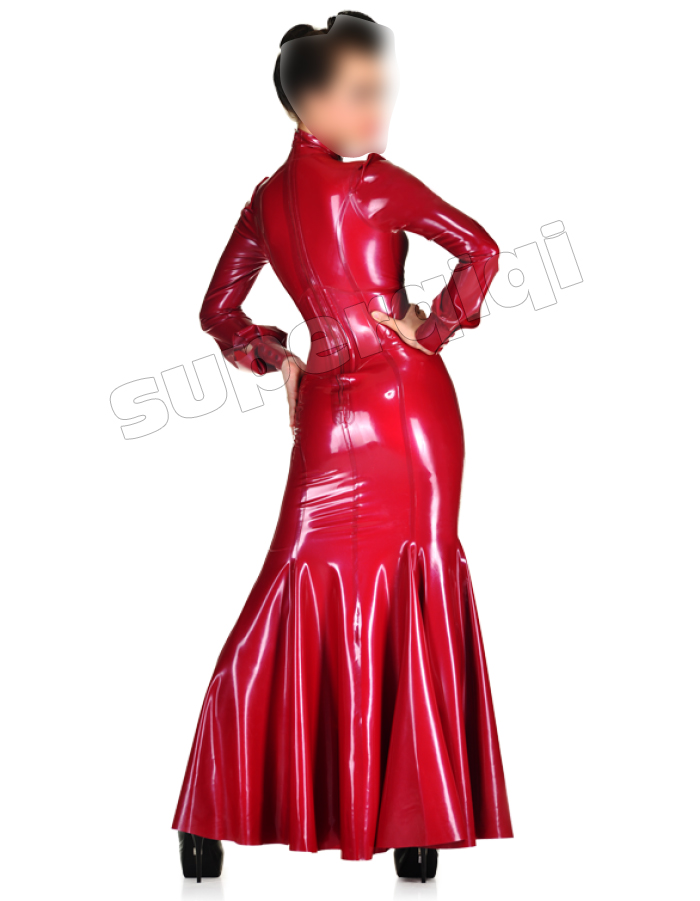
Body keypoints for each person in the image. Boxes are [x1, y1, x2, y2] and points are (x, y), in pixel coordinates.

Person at [172, 10, 514, 883]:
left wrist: (276, 356)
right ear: (309, 106)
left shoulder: (267, 200)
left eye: (380, 90)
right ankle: (416, 821)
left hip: (331, 408)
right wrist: (432, 329)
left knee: (298, 582)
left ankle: (215, 812)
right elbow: (480, 250)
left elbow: (219, 311)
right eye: (360, 94)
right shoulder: (375, 184)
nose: (378, 109)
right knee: (408, 582)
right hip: (408, 407)